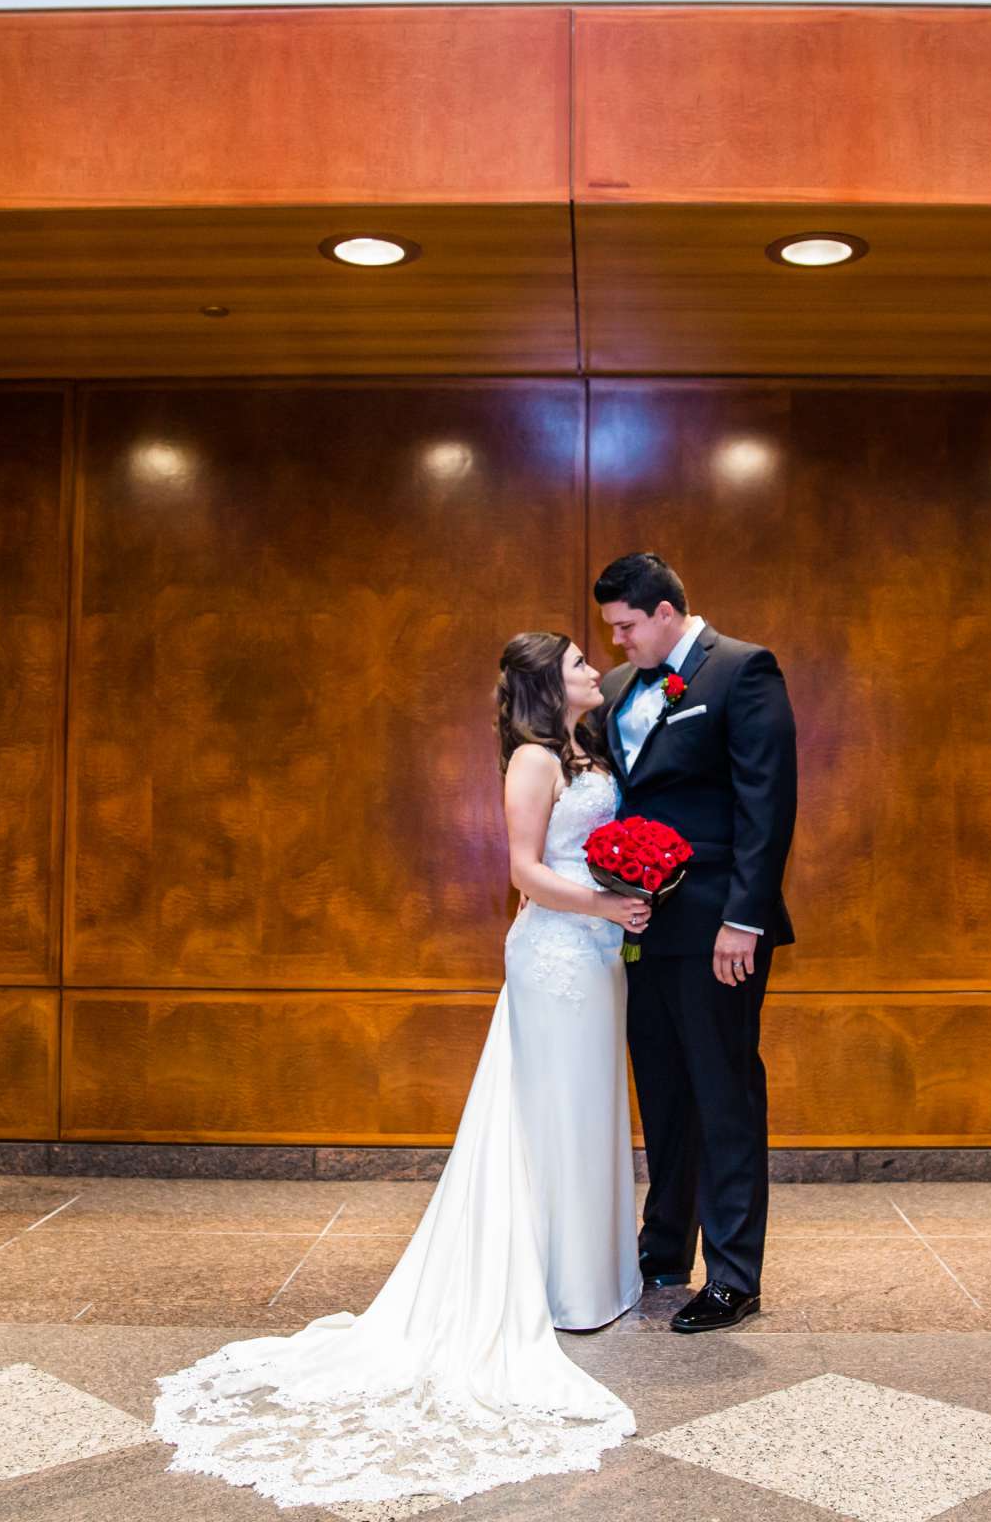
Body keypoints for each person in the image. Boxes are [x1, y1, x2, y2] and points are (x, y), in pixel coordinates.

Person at [152, 631, 648, 1511]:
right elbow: (525, 872)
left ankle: (592, 1272)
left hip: (600, 957)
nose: (591, 671)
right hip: (555, 957)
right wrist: (608, 901)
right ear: (547, 684)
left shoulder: (589, 751)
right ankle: (555, 1283)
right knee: (555, 1113)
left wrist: (627, 896)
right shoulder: (533, 761)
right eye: (577, 662)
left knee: (590, 1111)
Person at [593, 552, 798, 1335]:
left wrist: (743, 919)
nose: (617, 642)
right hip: (641, 929)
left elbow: (767, 799)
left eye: (626, 626)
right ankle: (664, 1251)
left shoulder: (743, 671)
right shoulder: (615, 692)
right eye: (611, 629)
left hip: (719, 928)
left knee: (724, 1093)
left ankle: (735, 1275)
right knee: (666, 1095)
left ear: (667, 613)